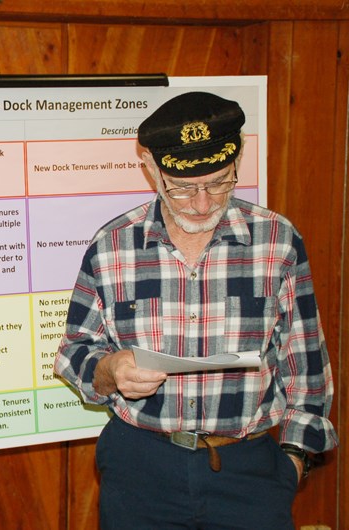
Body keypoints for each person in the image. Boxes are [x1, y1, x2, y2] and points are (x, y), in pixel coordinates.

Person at [55, 91, 337, 529]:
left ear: (237, 159)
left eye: (221, 181)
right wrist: (109, 369)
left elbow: (306, 365)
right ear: (150, 166)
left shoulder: (277, 242)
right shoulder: (112, 246)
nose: (203, 203)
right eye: (183, 187)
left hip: (249, 470)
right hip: (139, 467)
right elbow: (73, 351)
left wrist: (294, 461)